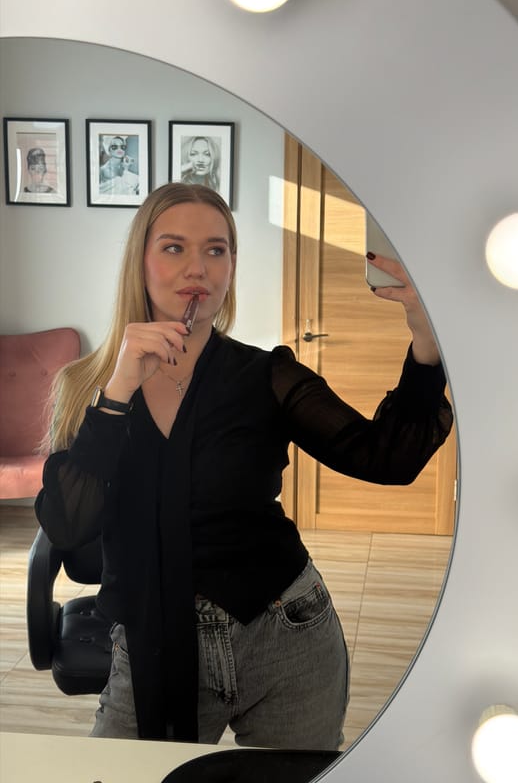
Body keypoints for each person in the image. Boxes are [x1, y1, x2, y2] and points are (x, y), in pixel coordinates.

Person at [35, 182, 453, 749]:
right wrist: (119, 393)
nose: (198, 268)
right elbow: (68, 524)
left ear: (231, 267)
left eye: (216, 250)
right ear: (140, 261)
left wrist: (426, 334)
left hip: (284, 632)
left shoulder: (266, 377)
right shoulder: (87, 387)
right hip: (150, 642)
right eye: (174, 247)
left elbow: (387, 458)